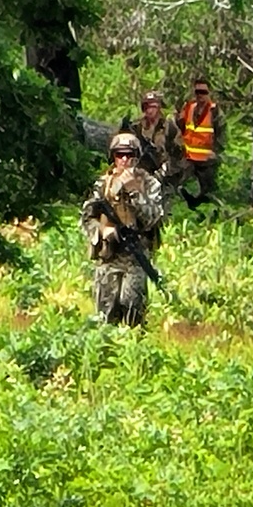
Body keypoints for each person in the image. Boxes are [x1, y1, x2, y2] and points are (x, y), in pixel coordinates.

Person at [79, 132, 165, 326]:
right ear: (113, 156)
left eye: (129, 155)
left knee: (132, 309)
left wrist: (134, 191)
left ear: (137, 157)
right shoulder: (103, 184)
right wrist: (102, 231)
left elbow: (152, 218)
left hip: (136, 257)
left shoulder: (149, 184)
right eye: (119, 155)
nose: (124, 160)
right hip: (109, 256)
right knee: (106, 313)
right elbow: (87, 216)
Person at [177, 76, 227, 209]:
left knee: (208, 193)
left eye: (204, 92)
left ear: (209, 93)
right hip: (188, 160)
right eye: (198, 92)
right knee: (183, 190)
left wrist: (215, 152)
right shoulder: (188, 109)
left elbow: (221, 136)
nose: (200, 95)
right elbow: (178, 129)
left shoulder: (215, 113)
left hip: (207, 162)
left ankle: (208, 215)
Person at [130, 90, 185, 190]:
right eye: (146, 106)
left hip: (166, 171)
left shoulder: (169, 125)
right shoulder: (137, 126)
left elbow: (179, 150)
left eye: (153, 106)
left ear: (159, 107)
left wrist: (167, 168)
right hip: (141, 169)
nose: (149, 110)